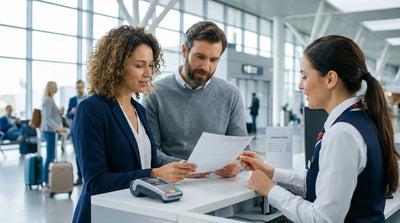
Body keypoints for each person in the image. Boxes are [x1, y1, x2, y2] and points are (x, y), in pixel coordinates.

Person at [238, 35, 399, 222]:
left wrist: (270, 190)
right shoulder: (360, 119)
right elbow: (321, 183)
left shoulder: (342, 133)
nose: (300, 85)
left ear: (330, 79)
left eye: (305, 76)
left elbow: (323, 219)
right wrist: (270, 172)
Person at [71, 25, 197, 223]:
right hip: (102, 215)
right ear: (117, 66)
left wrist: (176, 169)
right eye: (139, 66)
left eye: (150, 65)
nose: (148, 73)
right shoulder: (92, 109)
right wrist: (153, 174)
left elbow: (145, 163)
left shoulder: (139, 110)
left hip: (135, 213)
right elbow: (96, 182)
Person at [142, 21, 247, 178]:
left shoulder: (231, 94)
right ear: (185, 51)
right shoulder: (155, 93)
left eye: (213, 60)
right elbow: (150, 151)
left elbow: (243, 150)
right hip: (174, 186)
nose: (206, 67)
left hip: (219, 187)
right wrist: (185, 168)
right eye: (200, 57)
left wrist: (236, 164)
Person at [40, 81, 65, 189]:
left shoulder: (49, 100)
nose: (57, 89)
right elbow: (47, 118)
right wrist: (57, 127)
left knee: (52, 155)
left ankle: (48, 180)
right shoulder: (48, 100)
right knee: (50, 156)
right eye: (56, 87)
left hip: (50, 131)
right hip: (49, 131)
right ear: (51, 88)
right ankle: (45, 181)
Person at [66, 80, 87, 186]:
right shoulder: (72, 100)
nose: (79, 89)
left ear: (83, 87)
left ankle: (87, 176)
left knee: (88, 153)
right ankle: (79, 177)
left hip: (87, 129)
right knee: (78, 153)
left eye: (80, 87)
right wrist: (71, 112)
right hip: (75, 129)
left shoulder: (88, 99)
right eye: (77, 88)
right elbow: (68, 115)